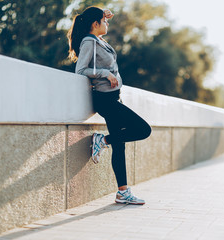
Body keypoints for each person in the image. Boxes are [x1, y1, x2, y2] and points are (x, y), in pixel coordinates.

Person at [67, 6, 151, 205]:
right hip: (105, 100)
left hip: (113, 98)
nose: (107, 23)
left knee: (119, 145)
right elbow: (81, 70)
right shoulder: (89, 41)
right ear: (95, 24)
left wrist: (101, 13)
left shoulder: (98, 40)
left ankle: (123, 192)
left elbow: (99, 26)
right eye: (104, 21)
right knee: (143, 129)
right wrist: (105, 74)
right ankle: (102, 140)